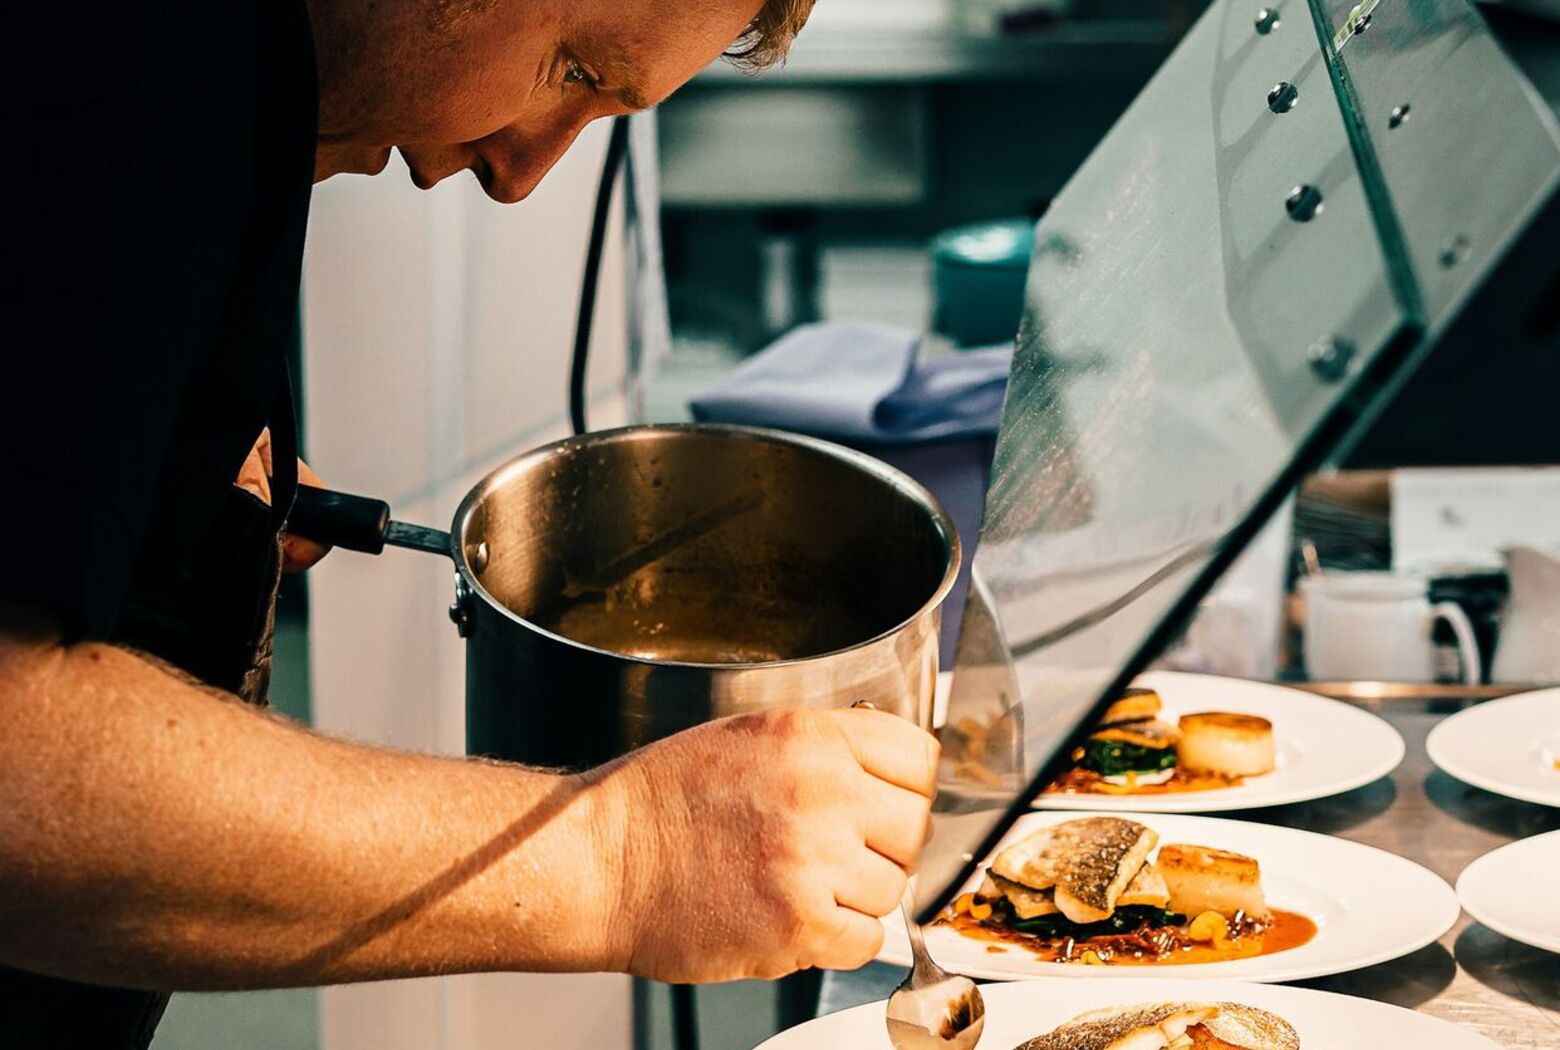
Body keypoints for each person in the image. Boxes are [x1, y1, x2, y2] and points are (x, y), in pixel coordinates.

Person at [0, 0, 940, 1045]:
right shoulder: (122, 61)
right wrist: (629, 856)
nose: (521, 172)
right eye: (573, 70)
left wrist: (154, 469)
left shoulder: (235, 93)